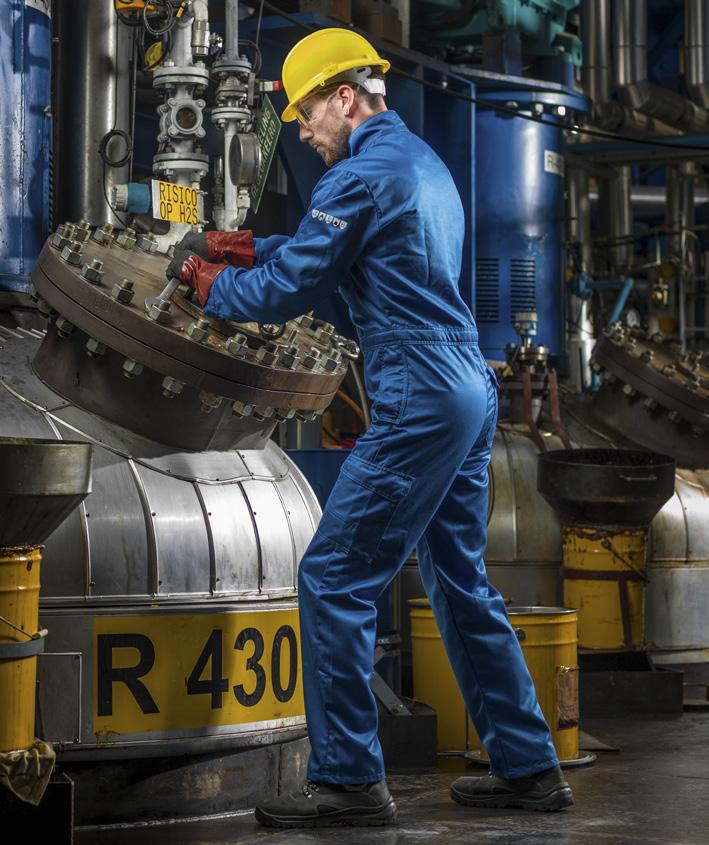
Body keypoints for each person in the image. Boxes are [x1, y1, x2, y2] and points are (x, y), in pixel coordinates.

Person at [166, 27, 574, 830]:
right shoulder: (418, 164)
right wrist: (242, 242)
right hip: (466, 383)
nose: (303, 133)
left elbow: (285, 290)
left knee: (332, 576)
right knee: (459, 582)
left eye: (306, 115)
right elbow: (326, 246)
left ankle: (349, 778)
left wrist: (209, 278)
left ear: (344, 97)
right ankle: (529, 765)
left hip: (419, 390)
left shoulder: (355, 176)